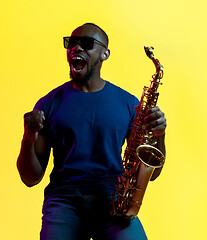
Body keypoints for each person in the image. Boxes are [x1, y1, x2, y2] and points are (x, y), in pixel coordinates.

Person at [17, 23, 167, 240]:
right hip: (63, 199)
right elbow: (30, 178)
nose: (76, 48)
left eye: (86, 43)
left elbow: (152, 172)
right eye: (71, 42)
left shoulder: (128, 103)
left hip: (112, 198)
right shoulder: (48, 104)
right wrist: (28, 136)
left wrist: (159, 135)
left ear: (104, 54)